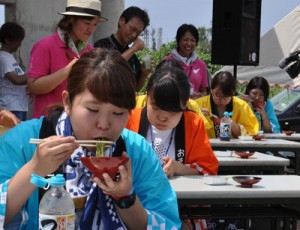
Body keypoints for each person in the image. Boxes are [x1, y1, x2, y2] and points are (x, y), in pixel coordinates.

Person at [0, 49, 181, 229]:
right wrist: (35, 168)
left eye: (118, 113)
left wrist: (125, 197)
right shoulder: (23, 140)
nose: (103, 124)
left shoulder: (136, 150)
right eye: (93, 110)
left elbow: (167, 223)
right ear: (68, 102)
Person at [27, 0, 107, 118]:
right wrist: (68, 70)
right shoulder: (45, 46)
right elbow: (33, 87)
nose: (91, 29)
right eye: (87, 23)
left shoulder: (90, 51)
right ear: (70, 19)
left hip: (79, 124)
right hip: (48, 124)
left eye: (95, 24)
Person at [94, 6, 150, 91]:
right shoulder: (102, 45)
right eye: (132, 29)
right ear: (121, 21)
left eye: (138, 33)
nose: (134, 35)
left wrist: (144, 74)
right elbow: (106, 72)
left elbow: (135, 89)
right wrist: (133, 49)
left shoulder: (132, 57)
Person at [196, 71, 259, 138]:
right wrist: (195, 113)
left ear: (233, 93)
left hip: (234, 147)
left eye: (226, 96)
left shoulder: (242, 106)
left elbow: (251, 133)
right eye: (217, 94)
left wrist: (232, 124)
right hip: (205, 146)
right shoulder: (198, 104)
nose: (221, 99)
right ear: (211, 90)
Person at [164, 24, 209, 99]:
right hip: (172, 109)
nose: (189, 44)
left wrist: (199, 97)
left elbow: (203, 91)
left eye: (192, 40)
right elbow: (160, 90)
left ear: (196, 43)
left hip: (194, 109)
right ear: (178, 41)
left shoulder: (201, 65)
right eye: (185, 40)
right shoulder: (166, 62)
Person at [0, 22, 28, 121]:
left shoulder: (9, 57)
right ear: (7, 40)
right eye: (17, 41)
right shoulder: (3, 57)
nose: (20, 44)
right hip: (11, 107)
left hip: (19, 106)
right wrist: (35, 76)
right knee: (15, 136)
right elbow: (16, 80)